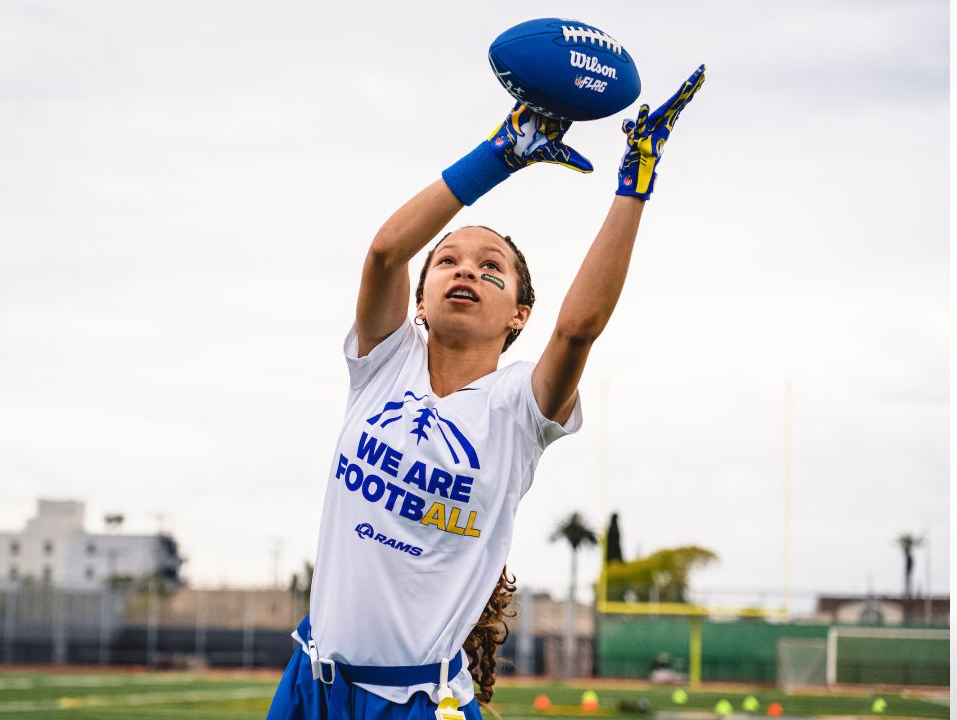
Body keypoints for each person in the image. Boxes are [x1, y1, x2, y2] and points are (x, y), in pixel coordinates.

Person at [267, 65, 707, 720]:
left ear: (518, 315)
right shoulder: (383, 362)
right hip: (311, 680)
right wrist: (502, 152)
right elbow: (387, 251)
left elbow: (580, 328)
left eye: (490, 268)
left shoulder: (516, 410)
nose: (466, 269)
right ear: (419, 300)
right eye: (447, 261)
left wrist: (633, 182)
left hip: (412, 703)